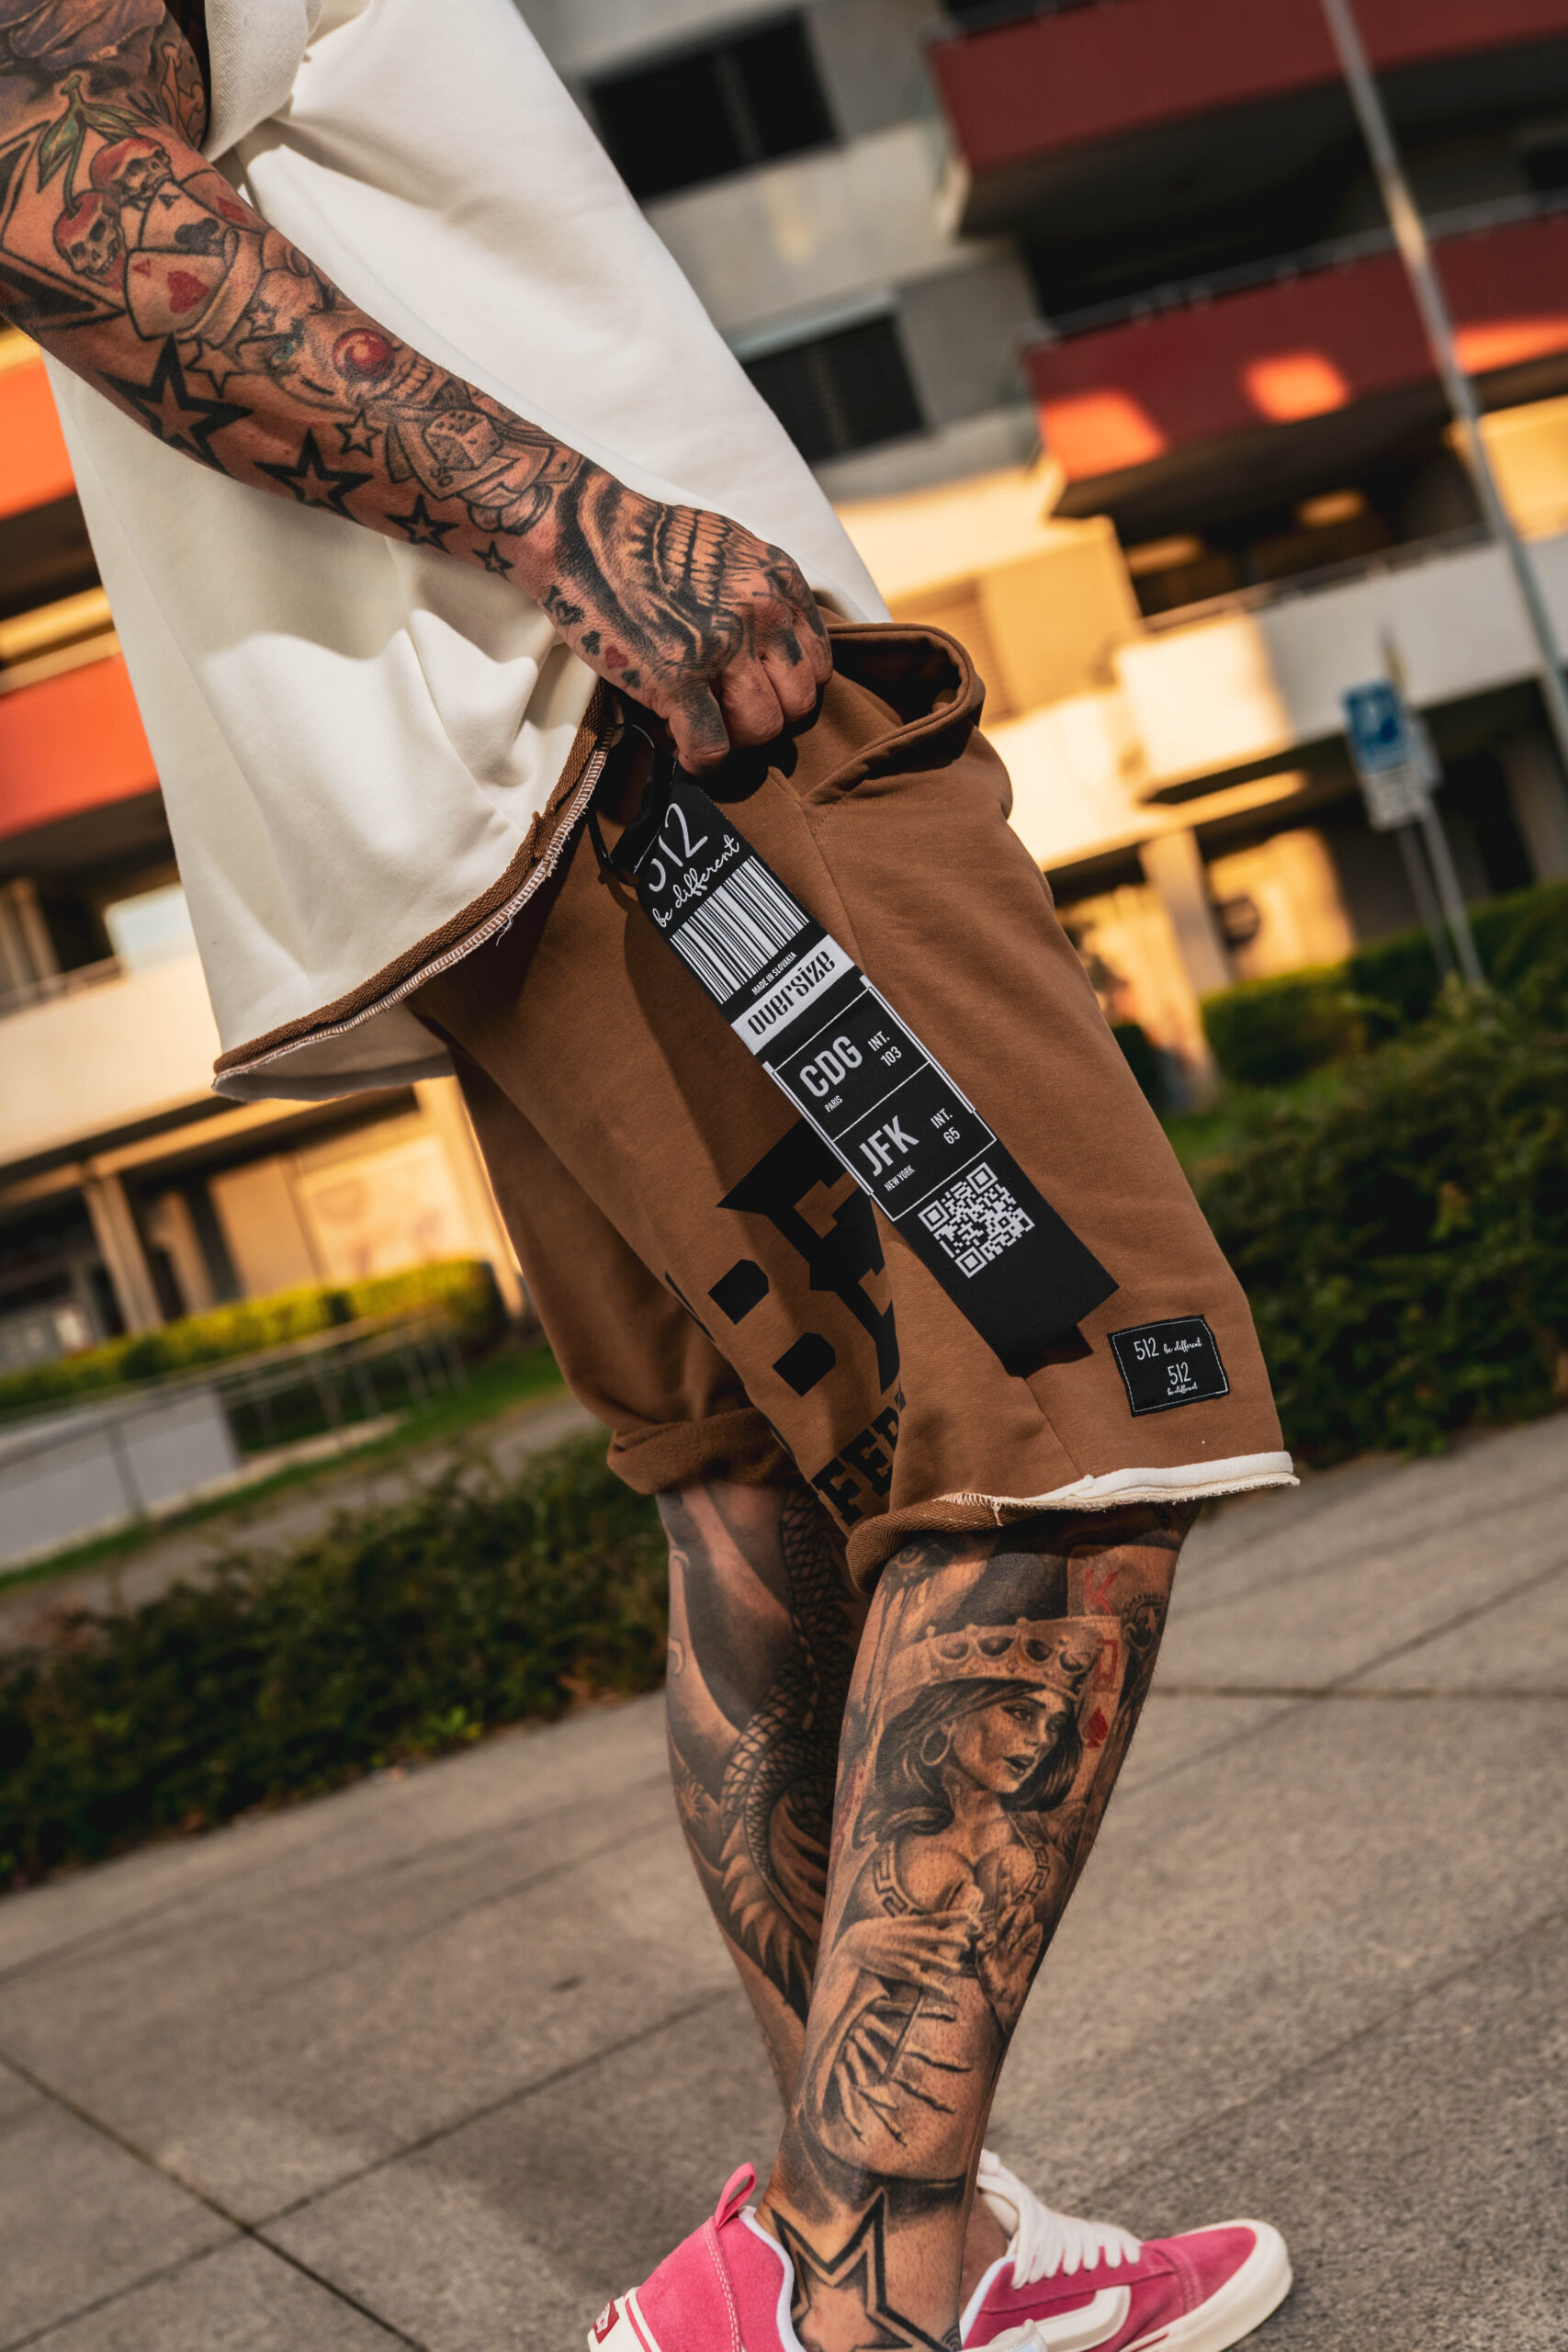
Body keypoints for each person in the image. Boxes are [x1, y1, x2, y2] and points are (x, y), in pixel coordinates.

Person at [0, 6, 1300, 2347]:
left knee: (756, 1491)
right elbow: (44, 181)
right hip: (639, 706)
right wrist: (567, 515)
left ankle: (904, 2245)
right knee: (1085, 1404)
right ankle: (851, 2274)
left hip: (500, 773)